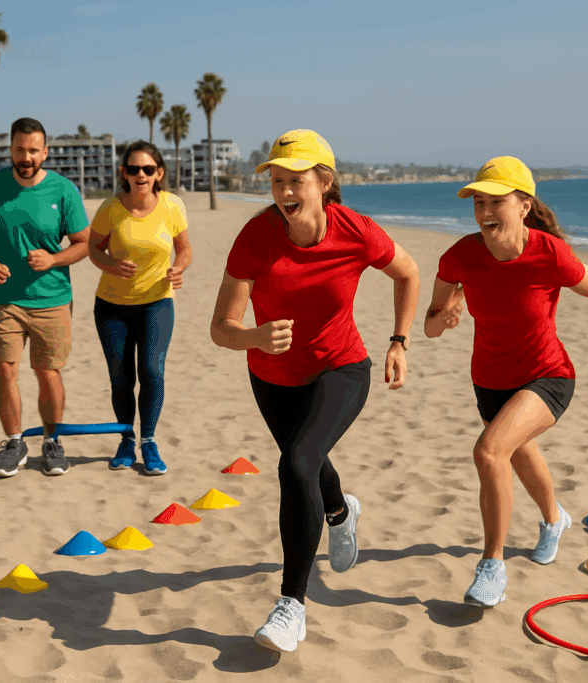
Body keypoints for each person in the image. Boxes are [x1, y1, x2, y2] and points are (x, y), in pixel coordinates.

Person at [210, 130, 420, 652]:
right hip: (272, 376)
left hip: (342, 369)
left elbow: (409, 273)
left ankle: (291, 606)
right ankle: (341, 511)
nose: (284, 190)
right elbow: (220, 327)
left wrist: (399, 340)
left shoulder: (356, 231)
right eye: (277, 180)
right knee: (305, 460)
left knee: (297, 464)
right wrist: (254, 337)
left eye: (295, 180)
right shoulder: (255, 237)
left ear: (324, 182)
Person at [425, 156, 588, 608]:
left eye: (496, 201)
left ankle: (492, 566)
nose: (484, 211)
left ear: (524, 205)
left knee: (489, 451)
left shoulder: (550, 254)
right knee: (516, 454)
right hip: (490, 381)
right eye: (478, 202)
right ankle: (554, 519)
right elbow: (431, 327)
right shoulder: (459, 257)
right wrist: (446, 312)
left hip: (547, 375)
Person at [0, 117, 90, 477]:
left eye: (33, 150)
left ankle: (52, 441)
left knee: (48, 373)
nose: (26, 156)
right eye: (20, 149)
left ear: (45, 152)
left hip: (52, 300)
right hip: (2, 300)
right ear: (11, 150)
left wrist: (54, 258)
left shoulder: (64, 192)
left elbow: (83, 244)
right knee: (4, 369)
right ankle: (14, 442)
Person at [87, 141, 192, 475]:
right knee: (121, 379)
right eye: (134, 169)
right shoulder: (110, 208)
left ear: (159, 173)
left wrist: (179, 268)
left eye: (148, 169)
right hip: (112, 308)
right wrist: (111, 266)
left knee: (151, 370)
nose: (141, 175)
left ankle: (148, 440)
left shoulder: (173, 206)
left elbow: (185, 249)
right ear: (124, 173)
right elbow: (93, 249)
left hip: (157, 304)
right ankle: (125, 440)